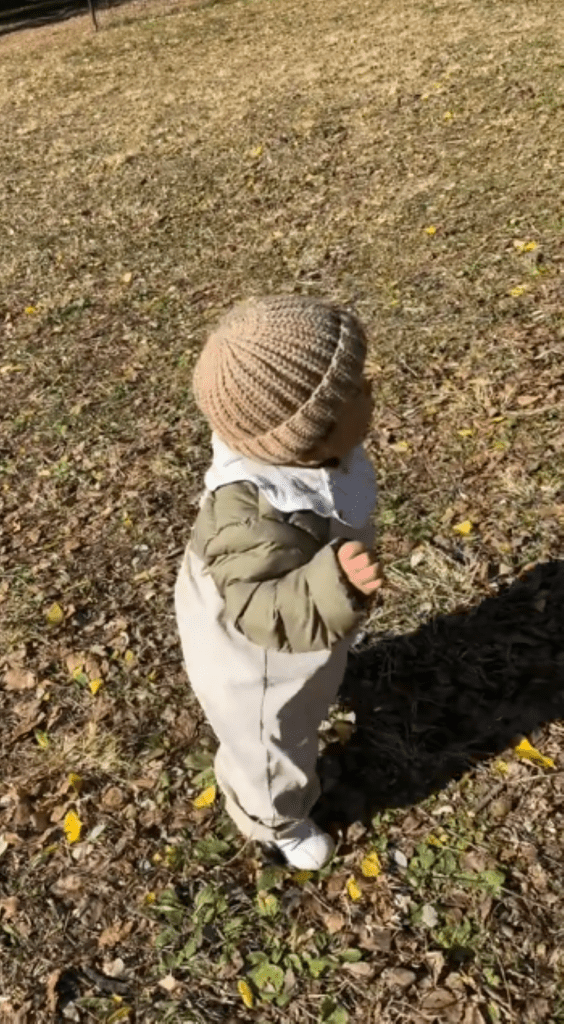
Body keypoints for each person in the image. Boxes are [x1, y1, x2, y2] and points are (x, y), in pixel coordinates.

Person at [175, 295, 383, 870]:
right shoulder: (252, 517)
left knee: (314, 679)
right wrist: (329, 587)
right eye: (354, 391)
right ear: (307, 437)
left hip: (304, 593)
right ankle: (276, 819)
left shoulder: (309, 456)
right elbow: (259, 606)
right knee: (270, 735)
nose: (370, 389)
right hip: (255, 649)